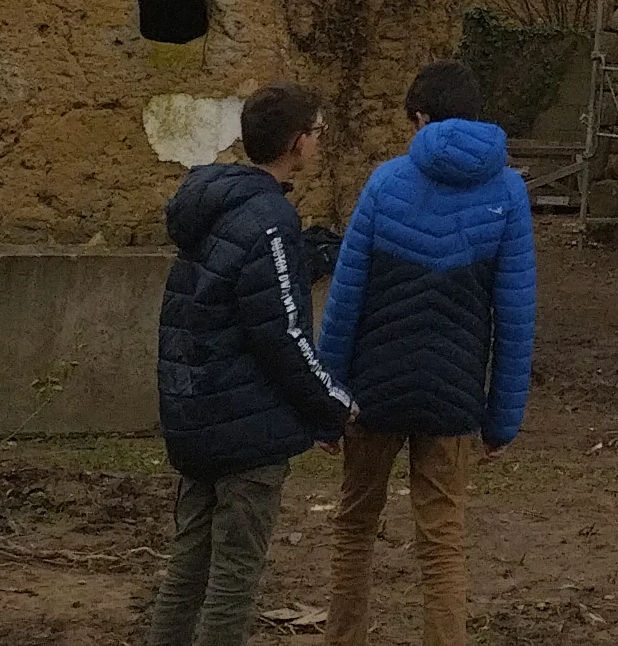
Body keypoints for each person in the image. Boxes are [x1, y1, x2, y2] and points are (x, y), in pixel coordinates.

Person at [318, 58, 538, 646]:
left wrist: (324, 397)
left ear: (420, 117)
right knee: (442, 541)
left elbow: (345, 302)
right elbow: (516, 316)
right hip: (455, 397)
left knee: (355, 527)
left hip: (373, 392)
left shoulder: (385, 182)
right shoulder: (510, 193)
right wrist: (503, 420)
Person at [149, 82, 352, 646]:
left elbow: (227, 295)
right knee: (234, 575)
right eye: (316, 132)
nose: (319, 142)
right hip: (247, 430)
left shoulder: (214, 203)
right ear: (295, 142)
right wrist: (334, 404)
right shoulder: (269, 218)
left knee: (188, 566)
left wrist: (301, 259)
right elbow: (283, 335)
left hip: (195, 416)